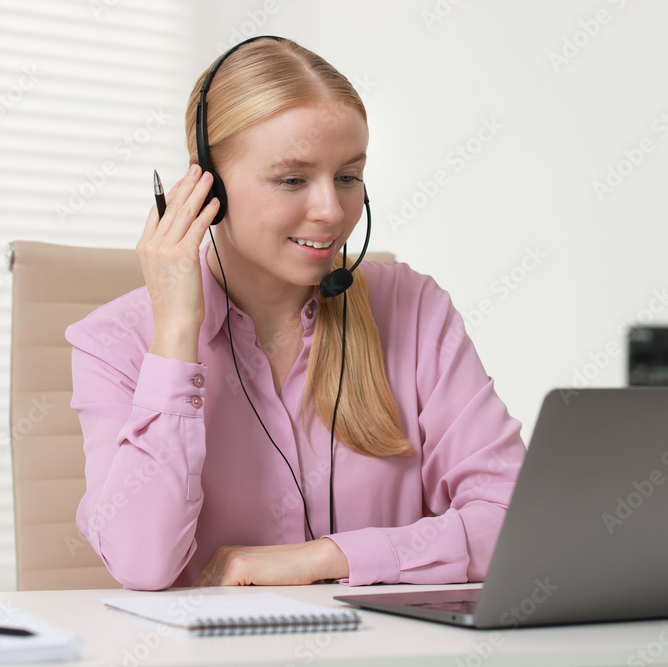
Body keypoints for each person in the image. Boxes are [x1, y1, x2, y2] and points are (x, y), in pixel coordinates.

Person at [65, 36, 525, 591]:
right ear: (206, 188)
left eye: (349, 176)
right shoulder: (116, 343)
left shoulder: (413, 308)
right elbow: (143, 562)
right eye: (292, 179)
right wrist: (178, 332)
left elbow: (515, 523)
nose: (332, 211)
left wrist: (327, 558)